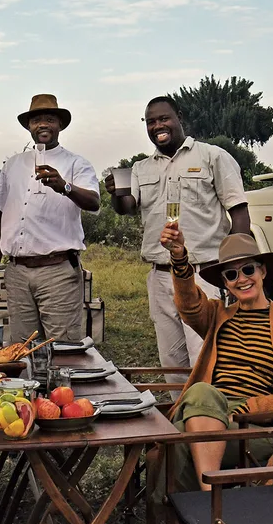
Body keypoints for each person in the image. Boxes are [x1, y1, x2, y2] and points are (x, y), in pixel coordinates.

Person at [146, 226, 273, 524]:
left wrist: (240, 410)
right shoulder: (219, 315)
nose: (241, 279)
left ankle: (203, 521)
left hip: (256, 428)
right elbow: (188, 303)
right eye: (231, 274)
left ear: (263, 272)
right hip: (207, 419)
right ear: (225, 282)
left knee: (190, 415)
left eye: (248, 269)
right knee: (177, 438)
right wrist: (179, 257)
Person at [105, 96, 250, 383]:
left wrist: (234, 269)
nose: (158, 126)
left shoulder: (212, 157)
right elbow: (127, 208)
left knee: (206, 357)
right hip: (162, 276)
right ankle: (180, 423)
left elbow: (240, 214)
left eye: (163, 118)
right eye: (151, 122)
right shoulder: (140, 168)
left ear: (179, 117)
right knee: (171, 360)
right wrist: (116, 193)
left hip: (203, 274)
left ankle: (211, 424)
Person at [0, 95, 98, 344]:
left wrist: (65, 186)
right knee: (22, 348)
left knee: (63, 348)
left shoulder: (75, 163)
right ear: (29, 126)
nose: (43, 124)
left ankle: (61, 385)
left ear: (60, 125)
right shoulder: (13, 165)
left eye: (50, 119)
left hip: (57, 272)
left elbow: (94, 202)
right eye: (37, 120)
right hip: (17, 271)